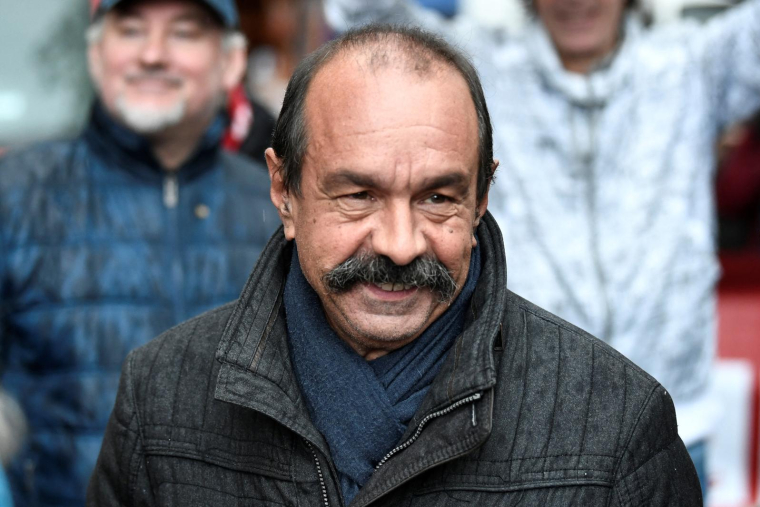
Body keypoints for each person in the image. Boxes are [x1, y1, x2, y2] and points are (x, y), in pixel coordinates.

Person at [87, 24, 702, 506]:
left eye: (438, 198)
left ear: (481, 196)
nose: (401, 244)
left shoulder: (615, 425)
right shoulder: (162, 398)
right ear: (283, 191)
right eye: (358, 196)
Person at [324, 0, 760, 493]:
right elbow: (366, 18)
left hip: (677, 419)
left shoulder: (690, 65)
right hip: (526, 426)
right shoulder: (480, 66)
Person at [0, 0, 280, 504]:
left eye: (183, 33)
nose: (152, 54)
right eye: (130, 31)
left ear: (231, 63)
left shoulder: (278, 213)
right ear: (95, 54)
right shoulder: (13, 196)